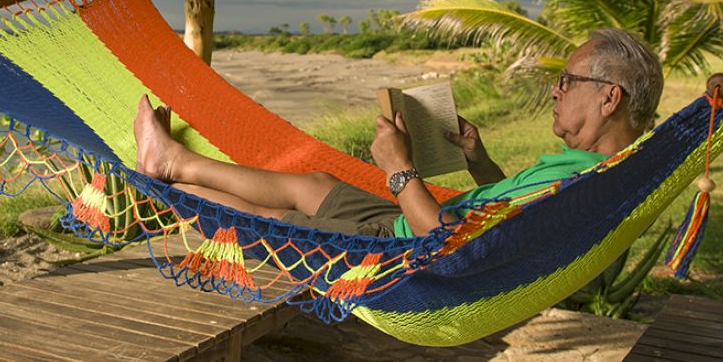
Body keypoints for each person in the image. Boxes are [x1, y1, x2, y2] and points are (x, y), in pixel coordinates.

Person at [134, 28, 663, 238]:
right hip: (417, 219)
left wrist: (397, 166)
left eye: (566, 82)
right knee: (313, 183)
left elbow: (445, 241)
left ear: (608, 97)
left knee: (280, 222)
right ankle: (175, 163)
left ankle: (161, 188)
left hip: (405, 248)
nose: (555, 91)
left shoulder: (582, 184)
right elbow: (511, 205)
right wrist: (478, 160)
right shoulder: (598, 172)